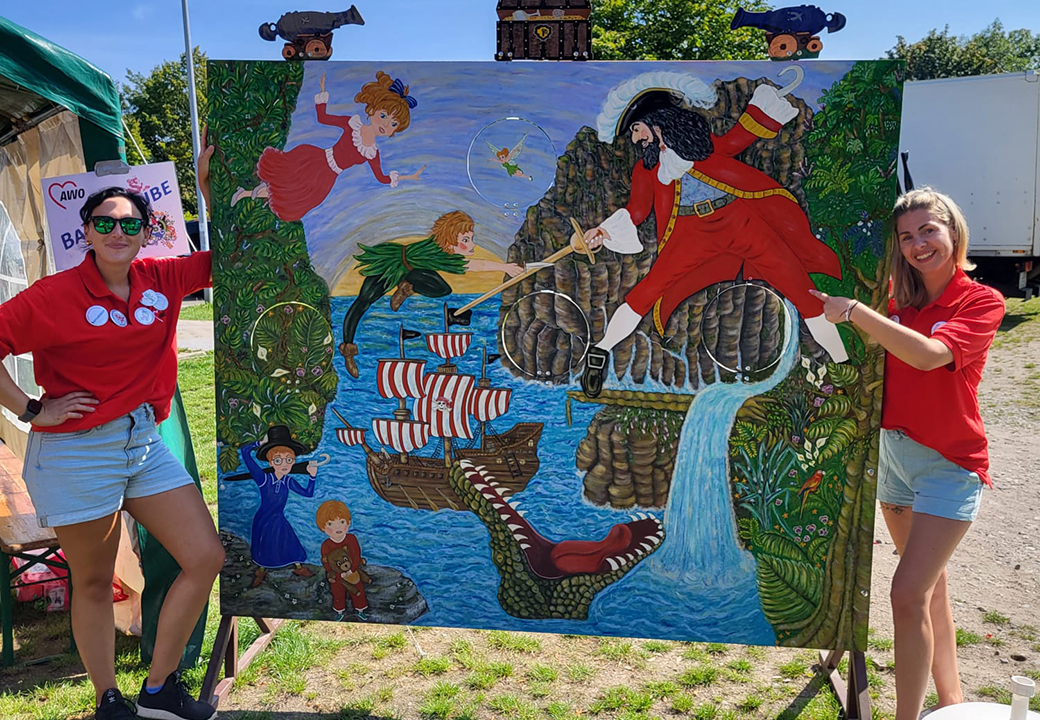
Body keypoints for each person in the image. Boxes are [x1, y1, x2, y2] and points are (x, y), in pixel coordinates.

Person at [0, 184, 222, 720]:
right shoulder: (55, 294)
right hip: (75, 452)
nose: (117, 231)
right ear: (87, 233)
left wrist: (211, 194)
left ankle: (159, 690)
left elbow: (234, 256)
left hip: (142, 441)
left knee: (205, 557)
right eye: (104, 223)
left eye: (129, 224)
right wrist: (30, 410)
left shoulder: (162, 279)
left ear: (148, 232)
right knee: (95, 581)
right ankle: (109, 699)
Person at [809, 188, 1005, 719]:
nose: (919, 244)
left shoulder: (981, 301)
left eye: (929, 230)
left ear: (953, 231)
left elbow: (929, 356)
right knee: (929, 588)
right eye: (907, 236)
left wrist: (854, 312)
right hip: (894, 460)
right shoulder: (894, 300)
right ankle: (952, 699)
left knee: (905, 593)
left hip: (950, 465)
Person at [580, 82, 848, 397]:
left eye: (637, 129)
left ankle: (843, 365)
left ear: (657, 121)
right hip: (689, 234)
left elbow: (741, 135)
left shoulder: (704, 146)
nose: (636, 138)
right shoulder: (647, 169)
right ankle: (599, 352)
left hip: (742, 222)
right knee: (646, 291)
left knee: (803, 290)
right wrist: (603, 231)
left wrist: (766, 104)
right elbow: (636, 211)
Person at [339, 210, 522, 377]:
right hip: (390, 266)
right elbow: (475, 265)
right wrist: (504, 267)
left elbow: (474, 265)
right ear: (450, 238)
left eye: (470, 239)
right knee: (362, 303)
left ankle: (407, 287)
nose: (471, 245)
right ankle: (348, 350)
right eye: (466, 240)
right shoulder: (438, 250)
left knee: (442, 289)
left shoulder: (445, 253)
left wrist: (504, 267)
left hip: (411, 271)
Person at [231, 70, 426, 221]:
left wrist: (408, 176)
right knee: (286, 180)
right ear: (373, 110)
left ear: (395, 131)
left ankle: (247, 193)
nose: (385, 125)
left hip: (327, 177)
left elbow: (382, 177)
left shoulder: (372, 153)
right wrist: (323, 94)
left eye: (393, 124)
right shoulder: (353, 124)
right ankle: (252, 192)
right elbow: (323, 118)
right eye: (383, 116)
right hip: (316, 159)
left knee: (294, 197)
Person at [239, 425, 319, 588]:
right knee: (264, 545)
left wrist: (312, 476)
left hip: (278, 517)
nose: (284, 464)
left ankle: (298, 567)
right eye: (278, 460)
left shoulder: (288, 480)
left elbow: (308, 493)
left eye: (289, 460)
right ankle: (260, 571)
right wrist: (259, 443)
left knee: (290, 541)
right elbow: (245, 453)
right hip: (264, 518)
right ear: (270, 462)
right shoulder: (264, 479)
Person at [316, 500, 369, 620]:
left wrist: (353, 569)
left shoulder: (351, 539)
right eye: (330, 524)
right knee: (337, 592)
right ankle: (340, 611)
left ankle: (360, 610)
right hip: (337, 575)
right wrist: (334, 573)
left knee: (358, 589)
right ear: (322, 527)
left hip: (352, 572)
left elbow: (356, 555)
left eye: (341, 522)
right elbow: (326, 562)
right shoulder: (326, 545)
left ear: (348, 523)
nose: (337, 527)